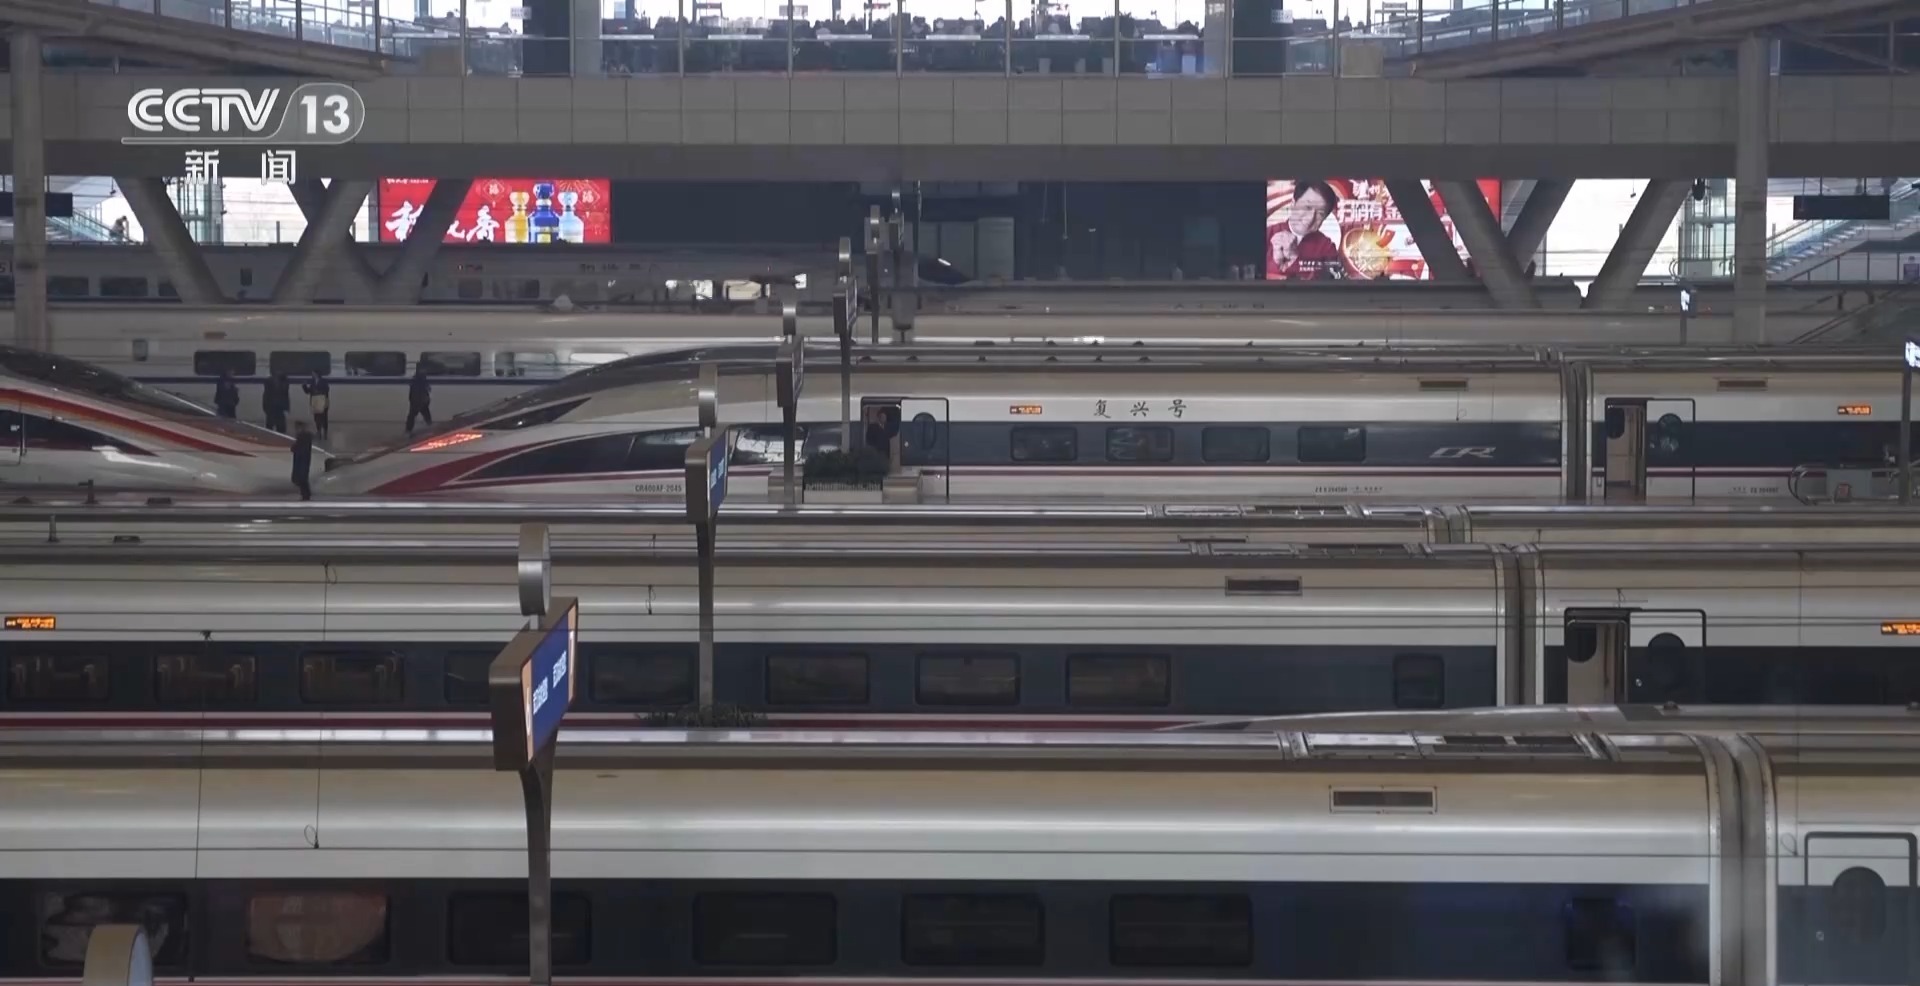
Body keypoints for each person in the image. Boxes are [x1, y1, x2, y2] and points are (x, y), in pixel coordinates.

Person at [1270, 179, 1350, 281]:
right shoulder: (1268, 233)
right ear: (1293, 204)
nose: (1310, 218)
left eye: (1320, 213)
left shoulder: (1327, 248)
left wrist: (1296, 259)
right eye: (1307, 207)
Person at [303, 371, 331, 441]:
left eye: (313, 373)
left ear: (317, 374)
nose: (312, 374)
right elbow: (308, 391)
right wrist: (304, 386)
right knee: (316, 418)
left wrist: (318, 392)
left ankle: (325, 432)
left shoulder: (323, 381)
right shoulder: (312, 381)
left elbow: (327, 389)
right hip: (315, 402)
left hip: (323, 401)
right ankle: (319, 432)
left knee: (324, 418)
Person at [406, 364, 433, 433]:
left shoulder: (416, 379)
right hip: (419, 400)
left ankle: (408, 430)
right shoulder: (421, 379)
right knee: (424, 415)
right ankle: (430, 428)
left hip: (417, 400)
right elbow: (426, 389)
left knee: (412, 416)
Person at [291, 422, 314, 501]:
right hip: (303, 459)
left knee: (302, 478)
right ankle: (305, 494)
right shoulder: (305, 437)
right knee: (302, 478)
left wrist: (294, 447)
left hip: (302, 459)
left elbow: (296, 448)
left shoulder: (302, 437)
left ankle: (306, 494)